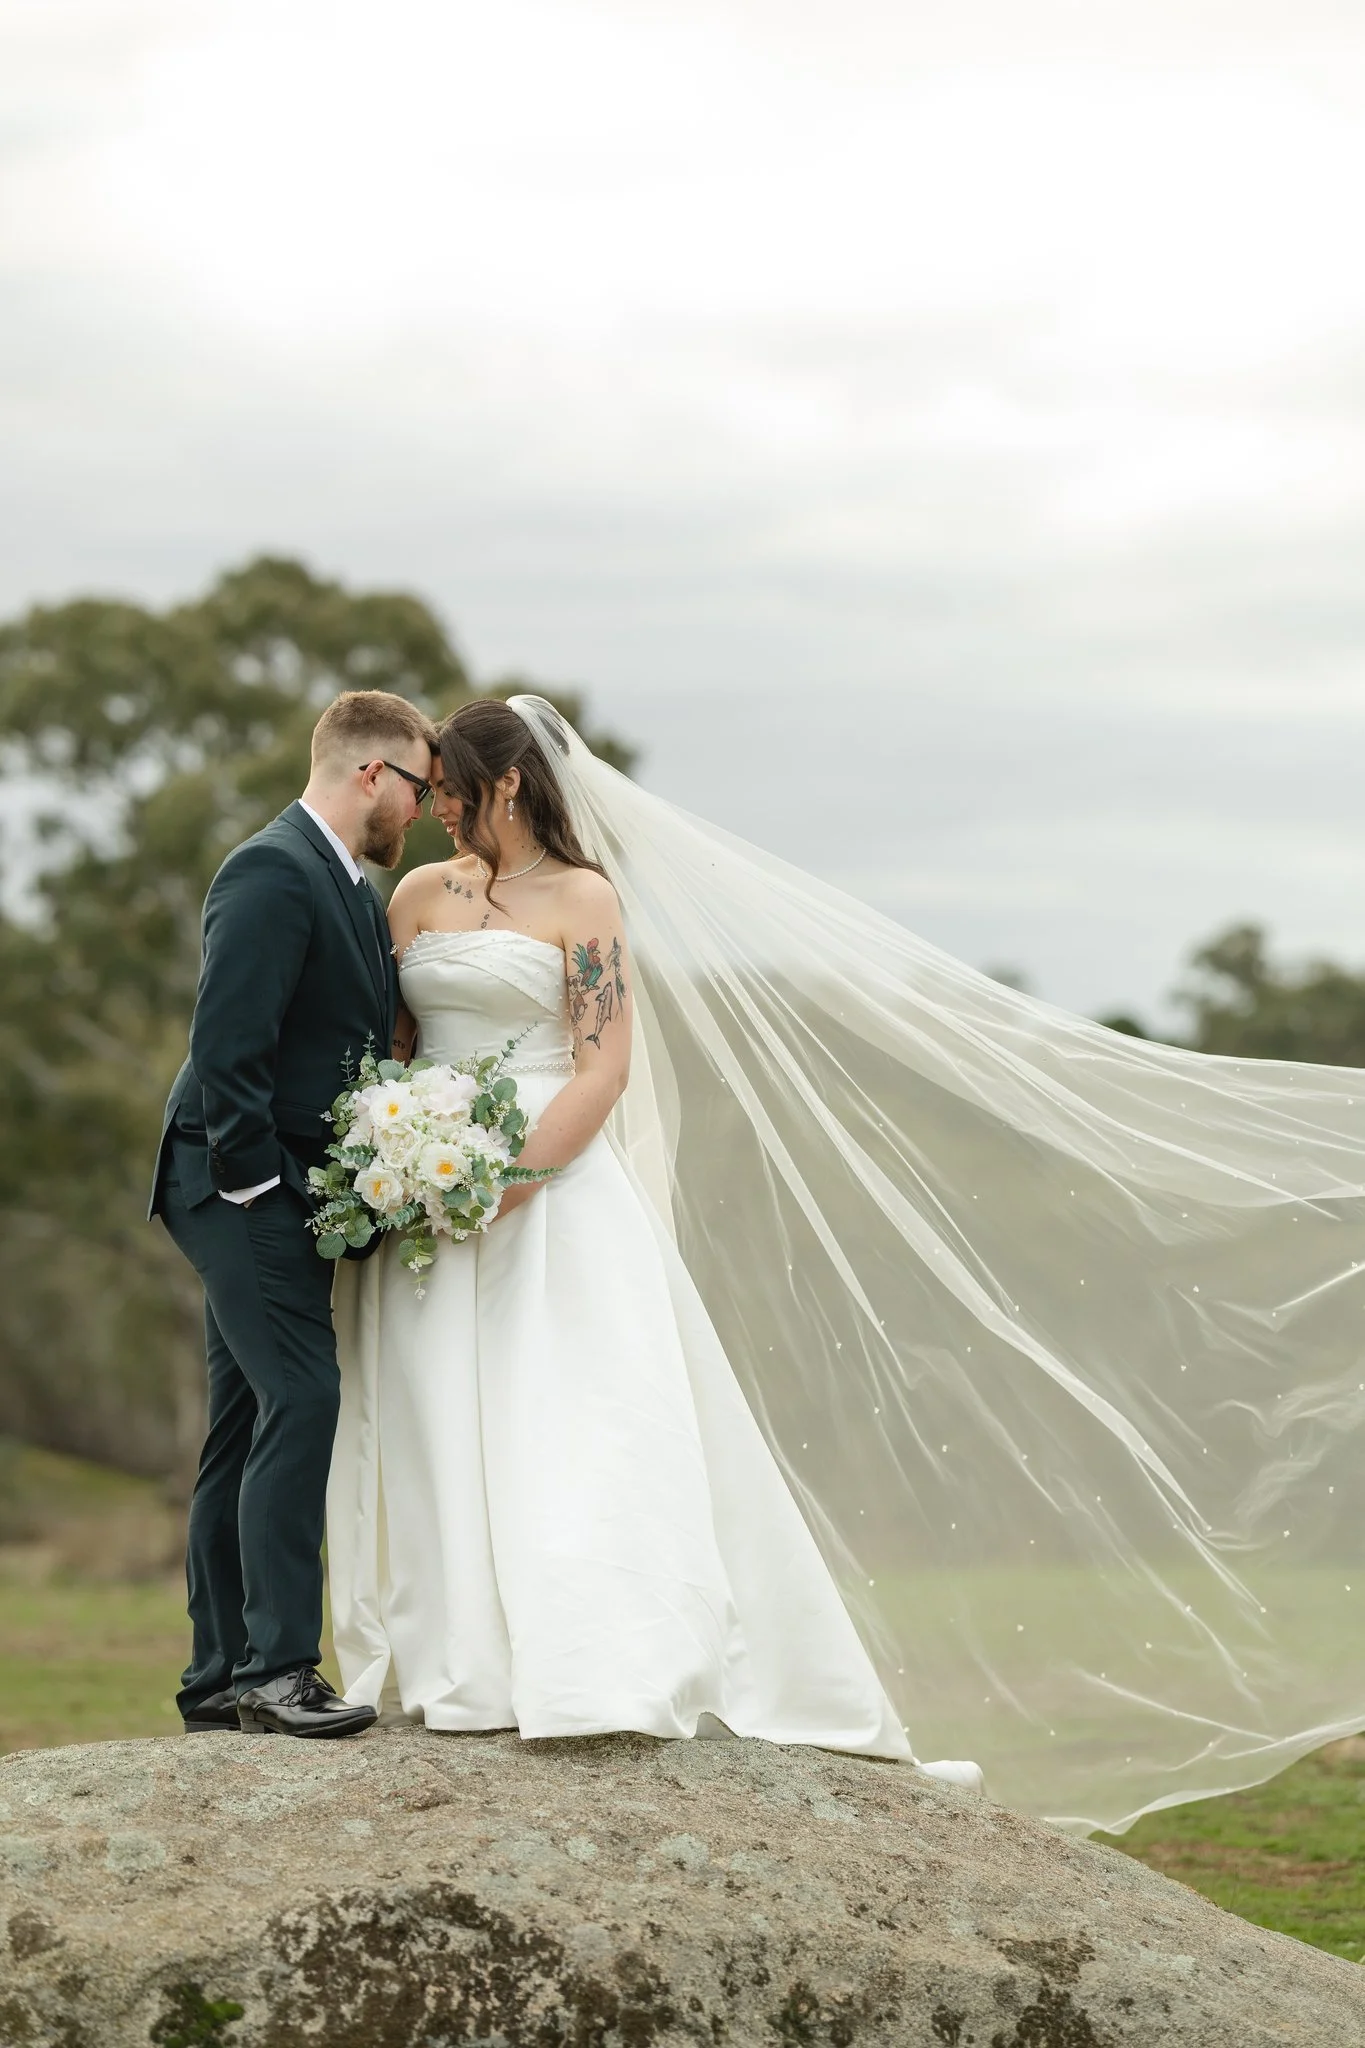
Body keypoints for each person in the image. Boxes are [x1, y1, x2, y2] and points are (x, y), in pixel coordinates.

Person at [326, 698, 981, 1786]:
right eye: (429, 788)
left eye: (453, 790)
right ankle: (467, 1668)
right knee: (439, 1418)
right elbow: (390, 1045)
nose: (436, 807)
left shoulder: (584, 898)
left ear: (510, 786)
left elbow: (600, 1063)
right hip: (425, 1204)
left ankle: (594, 1659)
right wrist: (396, 1152)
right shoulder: (415, 895)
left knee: (572, 1421)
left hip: (551, 1191)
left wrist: (512, 1180)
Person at [151, 689, 439, 1738]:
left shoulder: (353, 887)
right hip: (238, 1184)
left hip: (286, 1189)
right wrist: (259, 1187)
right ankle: (276, 1669)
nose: (421, 811)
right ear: (371, 772)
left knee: (240, 1426)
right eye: (416, 787)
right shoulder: (270, 868)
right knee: (305, 1397)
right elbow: (229, 1046)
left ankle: (215, 1680)